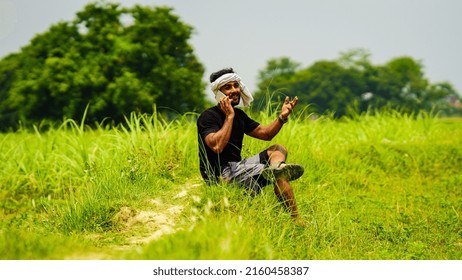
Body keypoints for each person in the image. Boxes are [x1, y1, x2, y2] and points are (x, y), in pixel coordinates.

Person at [197, 68, 304, 222]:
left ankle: (277, 168)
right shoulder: (208, 117)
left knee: (278, 149)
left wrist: (282, 117)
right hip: (221, 174)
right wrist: (229, 117)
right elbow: (217, 147)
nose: (234, 90)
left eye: (236, 85)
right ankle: (297, 220)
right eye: (228, 87)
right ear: (218, 94)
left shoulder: (240, 115)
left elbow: (266, 134)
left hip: (237, 166)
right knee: (278, 176)